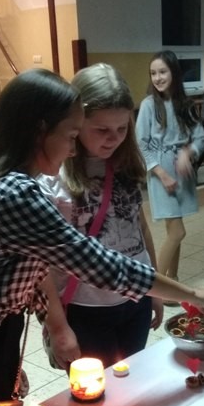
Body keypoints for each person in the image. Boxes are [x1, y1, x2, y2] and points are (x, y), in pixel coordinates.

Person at [0, 69, 204, 406]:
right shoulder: (17, 193)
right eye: (72, 135)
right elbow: (101, 265)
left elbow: (31, 273)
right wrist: (191, 294)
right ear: (40, 131)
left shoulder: (9, 182)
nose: (73, 148)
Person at [39, 64, 164, 368]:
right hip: (85, 307)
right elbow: (40, 264)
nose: (114, 139)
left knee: (132, 381)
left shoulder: (125, 163)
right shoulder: (52, 176)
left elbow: (139, 227)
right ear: (76, 122)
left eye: (122, 129)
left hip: (135, 300)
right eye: (102, 130)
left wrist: (155, 289)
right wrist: (58, 326)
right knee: (97, 394)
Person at [136, 51, 204, 283]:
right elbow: (141, 144)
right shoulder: (149, 105)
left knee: (174, 231)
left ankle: (173, 279)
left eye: (162, 72)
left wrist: (188, 152)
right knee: (178, 232)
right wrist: (161, 173)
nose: (157, 78)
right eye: (153, 73)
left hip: (181, 171)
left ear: (174, 73)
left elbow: (200, 138)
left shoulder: (186, 104)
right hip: (161, 172)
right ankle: (156, 285)